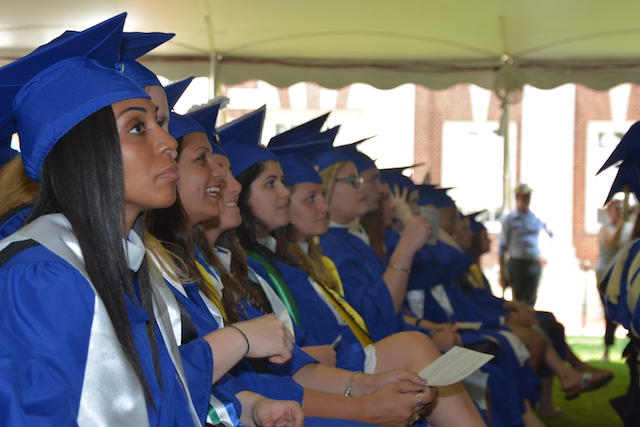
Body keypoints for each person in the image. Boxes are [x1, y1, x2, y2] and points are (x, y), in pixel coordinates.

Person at [499, 183, 552, 306]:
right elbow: (502, 248)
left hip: (534, 263)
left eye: (528, 196)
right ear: (517, 197)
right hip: (517, 263)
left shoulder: (536, 218)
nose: (526, 199)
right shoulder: (509, 220)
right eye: (523, 196)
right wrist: (502, 272)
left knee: (531, 298)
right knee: (518, 299)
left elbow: (549, 235)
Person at [596, 198, 631, 361]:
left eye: (621, 208)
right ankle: (606, 350)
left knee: (624, 312)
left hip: (621, 277)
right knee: (609, 314)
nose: (619, 211)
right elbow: (611, 241)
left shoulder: (627, 229)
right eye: (616, 208)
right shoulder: (605, 228)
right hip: (605, 278)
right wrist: (623, 223)